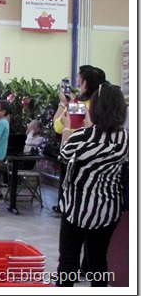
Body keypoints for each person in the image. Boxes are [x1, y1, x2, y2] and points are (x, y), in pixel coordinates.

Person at [56, 83, 128, 287]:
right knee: (98, 261)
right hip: (108, 209)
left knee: (68, 262)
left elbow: (65, 155)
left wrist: (68, 127)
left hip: (76, 209)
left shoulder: (82, 136)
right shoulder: (126, 139)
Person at [52, 66, 106, 214]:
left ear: (85, 84)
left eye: (79, 79)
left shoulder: (80, 107)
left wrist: (64, 103)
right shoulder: (105, 106)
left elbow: (58, 125)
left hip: (75, 155)